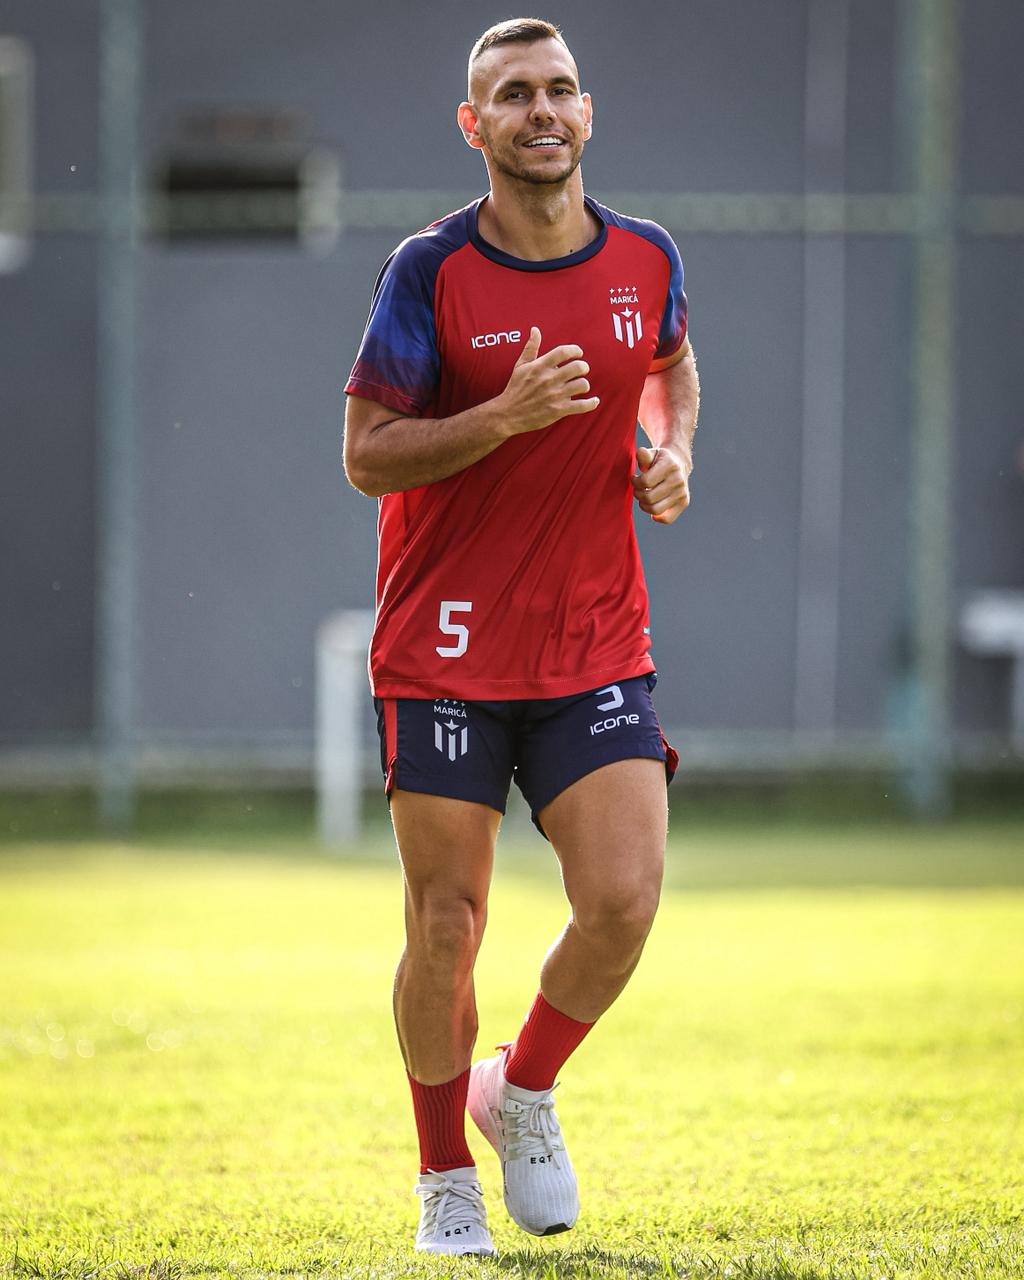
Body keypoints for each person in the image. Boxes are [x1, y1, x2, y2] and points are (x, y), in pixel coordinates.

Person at [343, 16, 700, 1258]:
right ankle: (446, 1175)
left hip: (594, 638)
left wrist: (671, 451)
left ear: (586, 114)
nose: (538, 111)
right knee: (446, 925)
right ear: (474, 125)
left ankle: (523, 1090)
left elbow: (666, 361)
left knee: (623, 899)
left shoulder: (645, 254)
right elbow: (364, 454)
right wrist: (498, 417)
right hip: (444, 648)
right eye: (511, 95)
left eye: (557, 91)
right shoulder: (427, 270)